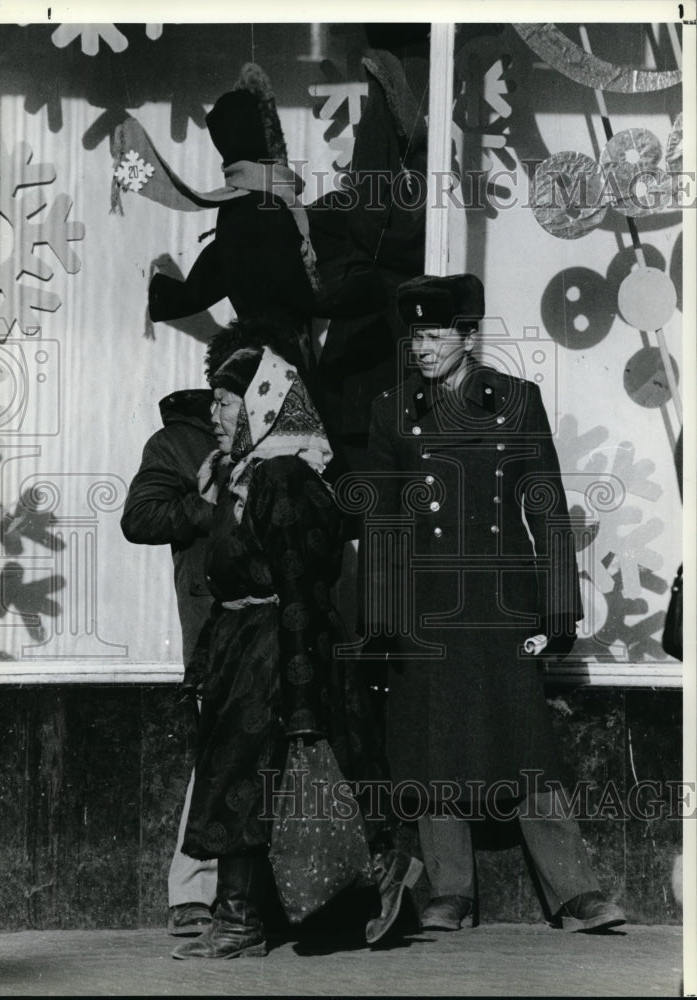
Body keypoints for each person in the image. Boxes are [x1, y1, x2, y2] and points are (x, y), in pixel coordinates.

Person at [361, 273, 627, 935]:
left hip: (502, 605)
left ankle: (575, 894)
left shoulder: (513, 401)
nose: (419, 347)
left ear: (468, 335)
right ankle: (451, 893)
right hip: (427, 609)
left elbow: (546, 503)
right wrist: (384, 619)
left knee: (526, 746)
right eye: (413, 336)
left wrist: (557, 614)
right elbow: (381, 524)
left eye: (432, 334)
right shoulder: (391, 410)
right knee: (433, 748)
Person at [172, 320, 422, 960]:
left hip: (281, 651)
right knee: (279, 784)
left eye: (227, 405)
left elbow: (298, 587)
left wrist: (302, 692)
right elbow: (226, 584)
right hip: (244, 646)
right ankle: (383, 865)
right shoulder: (240, 475)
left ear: (263, 404)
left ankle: (240, 922)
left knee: (245, 782)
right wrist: (206, 665)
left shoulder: (282, 477)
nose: (218, 417)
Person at [120, 326, 249, 937]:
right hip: (217, 624)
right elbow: (140, 517)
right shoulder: (180, 440)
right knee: (218, 753)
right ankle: (192, 892)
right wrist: (214, 506)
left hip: (285, 621)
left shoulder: (297, 431)